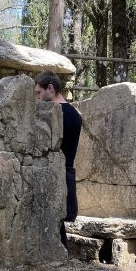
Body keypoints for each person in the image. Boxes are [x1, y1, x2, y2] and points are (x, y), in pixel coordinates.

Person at [34, 71, 83, 247]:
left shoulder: (55, 113)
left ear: (51, 88)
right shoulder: (75, 114)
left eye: (39, 93)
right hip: (65, 171)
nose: (38, 98)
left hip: (54, 173)